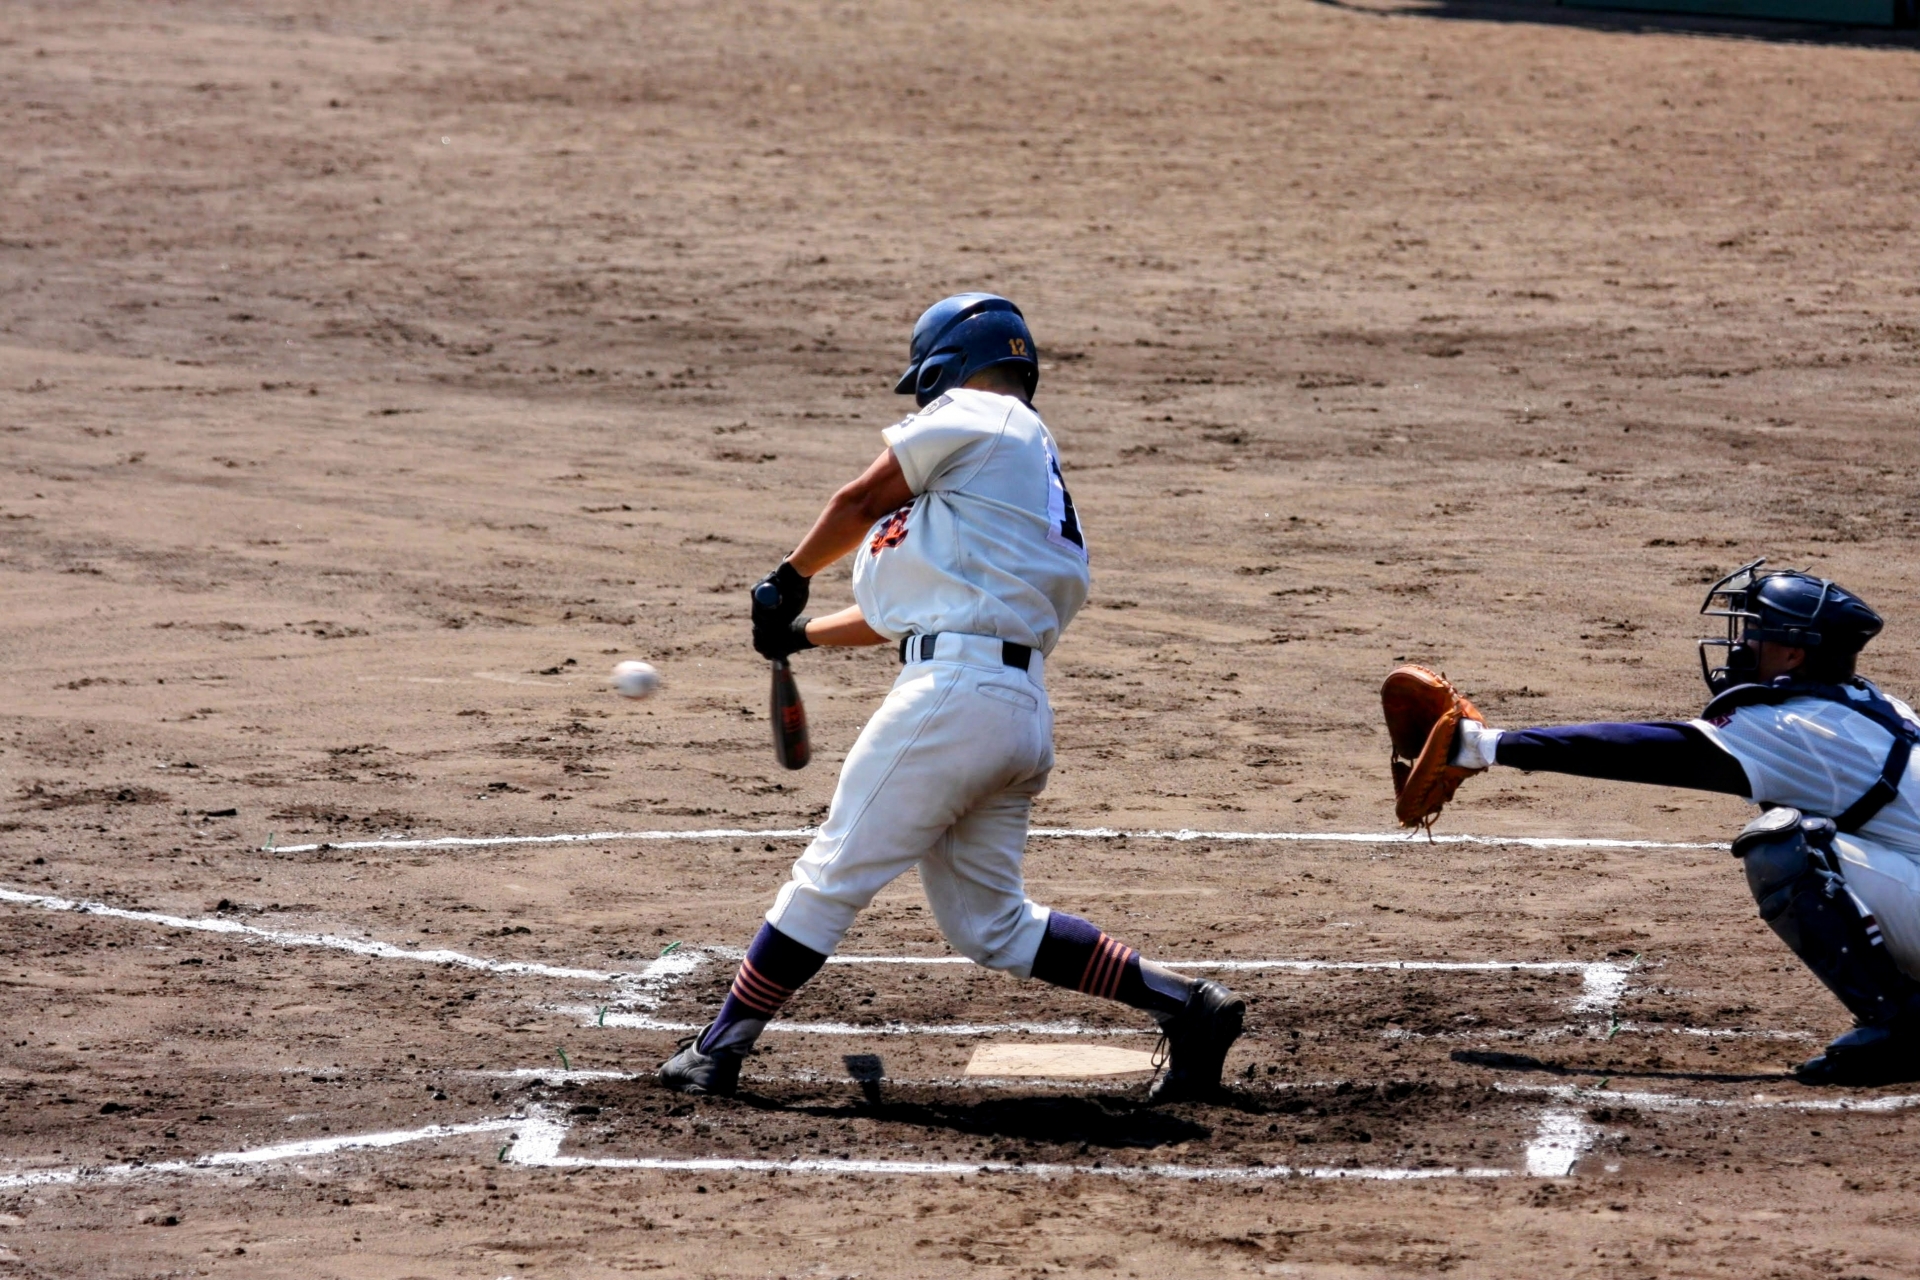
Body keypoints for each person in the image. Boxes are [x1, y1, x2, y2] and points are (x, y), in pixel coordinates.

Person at [659, 293, 1245, 1102]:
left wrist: (787, 578)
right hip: (1009, 712)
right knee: (992, 927)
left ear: (950, 367)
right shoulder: (1005, 499)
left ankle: (716, 1050)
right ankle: (1189, 1008)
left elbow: (858, 501)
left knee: (829, 875)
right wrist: (800, 637)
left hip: (954, 699)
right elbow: (908, 613)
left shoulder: (983, 412)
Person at [1438, 559, 1920, 1085]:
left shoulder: (1797, 728)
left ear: (1793, 652)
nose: (1739, 646)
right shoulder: (1864, 705)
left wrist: (1485, 746)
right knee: (1810, 832)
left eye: (1754, 631)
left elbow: (1651, 753)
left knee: (1788, 847)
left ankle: (1900, 1030)